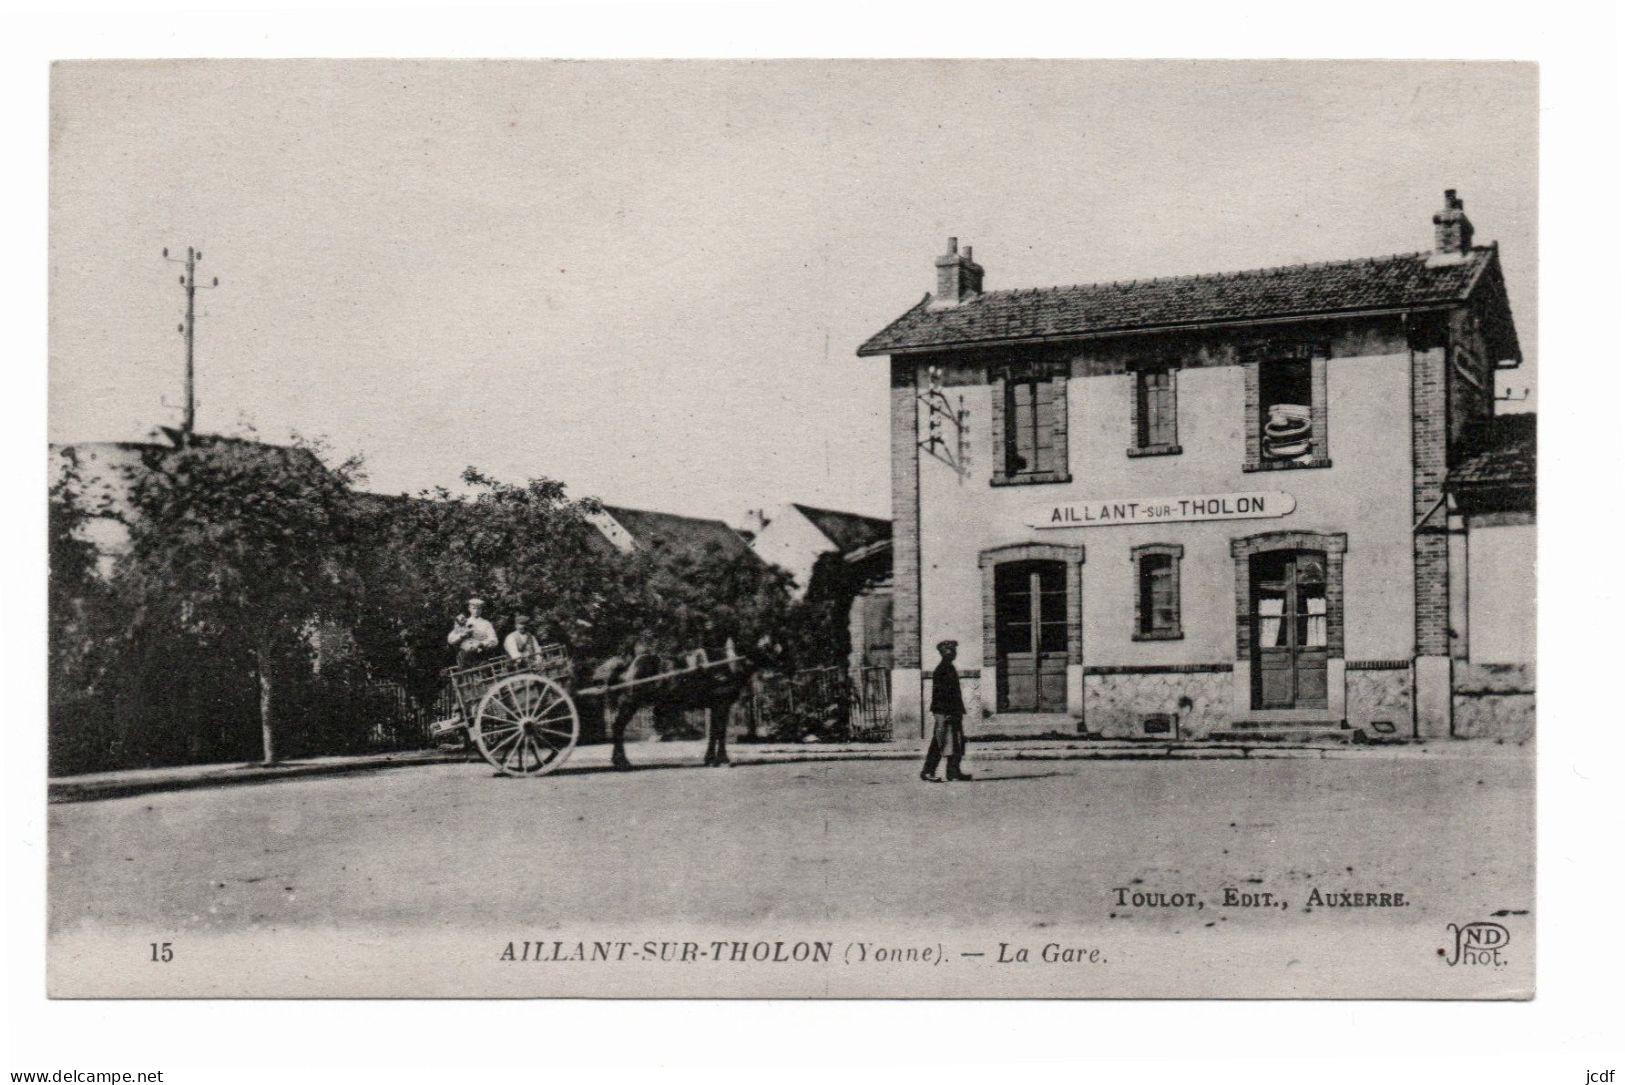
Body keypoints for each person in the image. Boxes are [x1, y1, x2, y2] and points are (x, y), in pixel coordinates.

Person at [921, 639, 972, 782]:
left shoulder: (949, 667)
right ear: (944, 653)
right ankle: (927, 771)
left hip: (952, 710)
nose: (954, 653)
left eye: (954, 651)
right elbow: (941, 695)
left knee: (956, 741)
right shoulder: (942, 669)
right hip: (945, 711)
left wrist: (957, 711)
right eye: (951, 651)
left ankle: (953, 772)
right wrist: (948, 713)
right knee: (940, 741)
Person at [447, 596, 499, 668]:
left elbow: (494, 640)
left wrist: (482, 643)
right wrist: (461, 636)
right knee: (465, 667)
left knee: (484, 669)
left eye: (479, 608)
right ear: (469, 609)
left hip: (481, 653)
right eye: (474, 608)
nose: (476, 611)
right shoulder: (463, 622)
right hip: (465, 654)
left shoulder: (486, 623)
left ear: (481, 609)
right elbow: (451, 639)